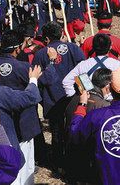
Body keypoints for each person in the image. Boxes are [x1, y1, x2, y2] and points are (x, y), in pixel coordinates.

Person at [0, 29, 58, 185]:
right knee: (24, 163)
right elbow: (48, 78)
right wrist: (52, 61)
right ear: (17, 49)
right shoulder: (23, 67)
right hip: (22, 122)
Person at [31, 21, 84, 169]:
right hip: (75, 98)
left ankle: (60, 164)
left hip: (52, 99)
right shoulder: (74, 48)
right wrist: (86, 92)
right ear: (61, 34)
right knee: (76, 128)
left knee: (57, 133)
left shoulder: (40, 54)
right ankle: (75, 161)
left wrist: (42, 99)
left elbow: (36, 79)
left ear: (46, 39)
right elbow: (83, 71)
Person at [64, 68, 112, 184]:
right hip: (91, 160)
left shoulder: (75, 99)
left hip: (72, 156)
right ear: (107, 86)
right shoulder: (104, 106)